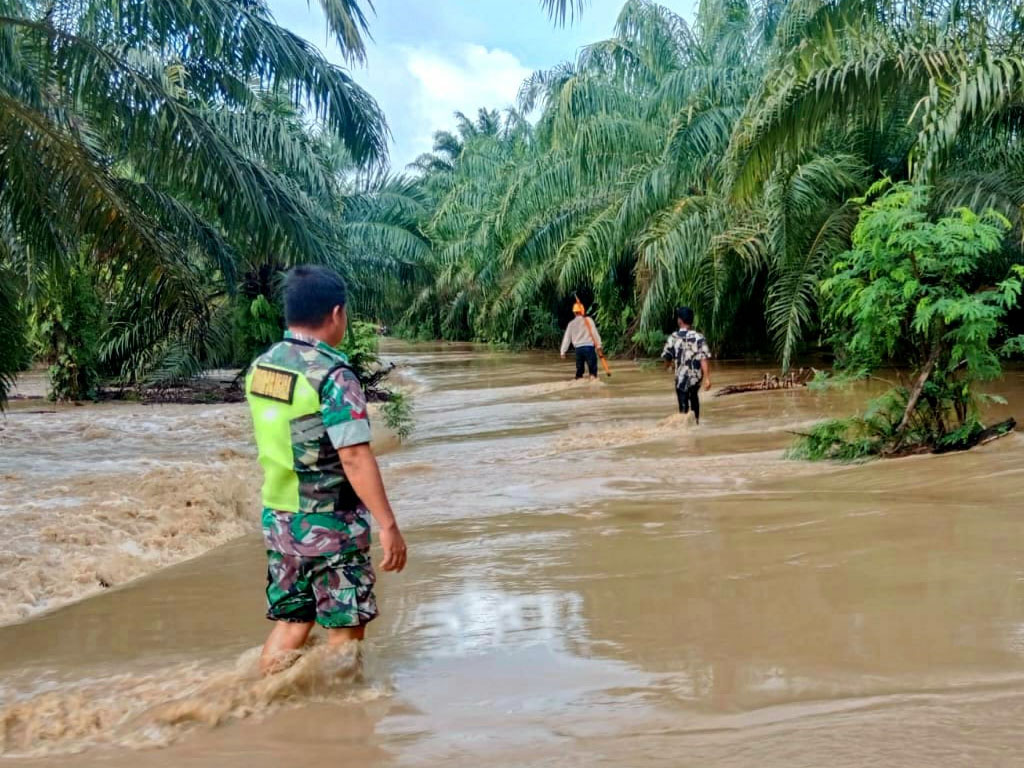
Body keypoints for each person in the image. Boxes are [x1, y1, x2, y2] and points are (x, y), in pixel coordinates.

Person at [245, 265, 407, 675]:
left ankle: (262, 698)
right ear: (336, 313)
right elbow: (354, 457)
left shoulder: (262, 368)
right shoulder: (333, 375)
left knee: (292, 622)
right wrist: (388, 525)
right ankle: (340, 707)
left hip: (280, 520)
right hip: (330, 525)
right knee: (345, 628)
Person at [661, 306, 712, 423]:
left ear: (680, 320)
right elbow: (703, 358)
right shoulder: (699, 337)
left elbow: (667, 357)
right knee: (694, 398)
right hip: (695, 378)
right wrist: (707, 378)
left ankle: (684, 426)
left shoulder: (674, 337)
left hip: (681, 378)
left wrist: (667, 366)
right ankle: (696, 422)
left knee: (683, 405)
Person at [560, 300, 603, 380]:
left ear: (574, 313)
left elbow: (567, 338)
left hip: (578, 350)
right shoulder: (588, 320)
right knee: (593, 372)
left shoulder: (571, 324)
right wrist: (599, 345)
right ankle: (593, 381)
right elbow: (594, 333)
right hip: (589, 348)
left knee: (579, 372)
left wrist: (563, 351)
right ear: (583, 311)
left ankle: (579, 381)